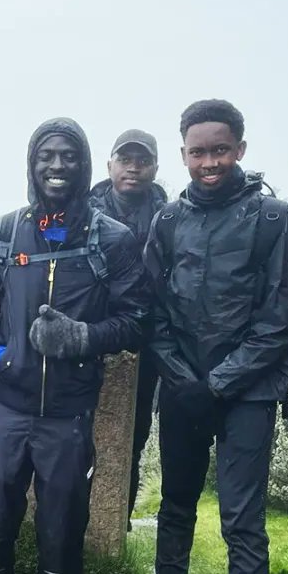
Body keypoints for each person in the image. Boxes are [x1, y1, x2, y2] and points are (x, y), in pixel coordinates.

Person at [123, 99, 288, 574]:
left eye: (220, 149)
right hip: (185, 388)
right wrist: (183, 376)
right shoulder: (169, 222)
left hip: (249, 394)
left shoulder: (275, 221)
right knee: (174, 502)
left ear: (240, 149)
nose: (209, 161)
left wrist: (222, 380)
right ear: (182, 153)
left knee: (241, 521)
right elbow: (151, 309)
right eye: (198, 151)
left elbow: (281, 320)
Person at [0, 117, 150, 574]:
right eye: (47, 156)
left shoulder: (112, 239)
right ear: (32, 164)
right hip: (9, 408)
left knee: (63, 522)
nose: (57, 166)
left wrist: (85, 337)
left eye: (68, 156)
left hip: (69, 411)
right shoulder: (2, 234)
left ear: (84, 164)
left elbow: (137, 320)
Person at [89, 129, 168, 518]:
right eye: (125, 159)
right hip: (92, 333)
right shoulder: (83, 210)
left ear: (155, 167)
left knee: (134, 435)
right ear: (110, 165)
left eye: (142, 160)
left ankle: (119, 521)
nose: (133, 168)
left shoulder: (170, 216)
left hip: (147, 341)